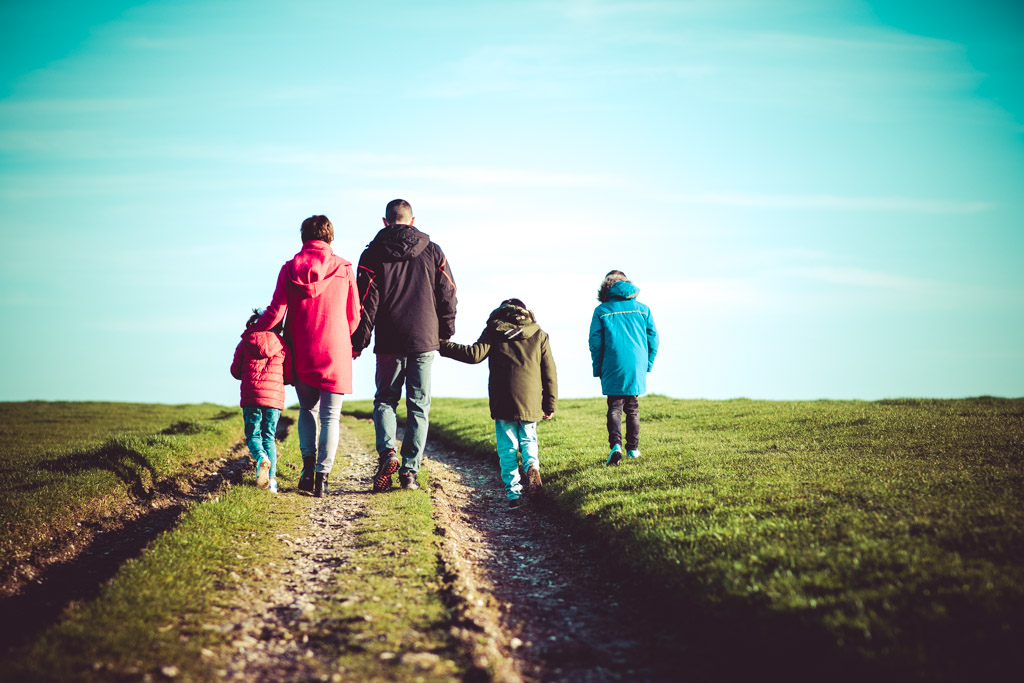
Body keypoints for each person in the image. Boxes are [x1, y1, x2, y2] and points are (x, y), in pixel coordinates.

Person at [352, 199, 457, 492]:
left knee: (386, 400)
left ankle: (388, 453)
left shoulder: (372, 254)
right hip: (425, 339)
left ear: (385, 222)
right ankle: (410, 473)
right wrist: (445, 332)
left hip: (389, 341)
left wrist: (359, 342)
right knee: (419, 406)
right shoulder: (433, 251)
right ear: (412, 220)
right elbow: (448, 294)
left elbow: (365, 304)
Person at [252, 215, 360, 497]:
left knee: (308, 410)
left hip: (301, 349)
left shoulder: (289, 269)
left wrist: (253, 331)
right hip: (335, 349)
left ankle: (307, 470)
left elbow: (276, 311)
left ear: (303, 238)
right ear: (330, 237)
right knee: (331, 417)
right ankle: (322, 479)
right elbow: (354, 316)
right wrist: (341, 336)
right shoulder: (344, 268)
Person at [439, 298, 556, 508]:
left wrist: (443, 346)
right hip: (530, 400)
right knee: (528, 439)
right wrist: (549, 404)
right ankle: (532, 466)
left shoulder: (495, 330)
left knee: (507, 447)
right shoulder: (539, 334)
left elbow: (474, 355)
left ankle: (514, 494)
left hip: (503, 399)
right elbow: (549, 372)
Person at [588, 270, 659, 466]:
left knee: (615, 406)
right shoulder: (643, 309)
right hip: (637, 363)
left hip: (612, 362)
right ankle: (633, 449)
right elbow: (653, 340)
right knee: (632, 407)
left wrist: (598, 368)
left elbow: (595, 343)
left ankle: (616, 446)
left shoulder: (601, 310)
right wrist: (647, 364)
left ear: (606, 288)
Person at [230, 308, 293, 494]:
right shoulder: (282, 344)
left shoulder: (246, 342)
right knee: (269, 436)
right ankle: (271, 482)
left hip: (251, 397)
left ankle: (260, 458)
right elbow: (289, 375)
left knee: (253, 435)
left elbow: (235, 371)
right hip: (273, 399)